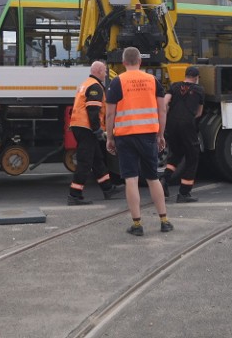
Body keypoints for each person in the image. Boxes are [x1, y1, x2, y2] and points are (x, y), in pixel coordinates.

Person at [105, 46, 172, 236]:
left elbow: (110, 114)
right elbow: (162, 111)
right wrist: (161, 135)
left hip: (125, 136)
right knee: (153, 178)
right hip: (149, 135)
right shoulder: (153, 81)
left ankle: (137, 225)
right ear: (140, 61)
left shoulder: (118, 82)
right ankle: (164, 220)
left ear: (124, 62)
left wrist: (109, 137)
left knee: (131, 179)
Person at [67, 60, 120, 205]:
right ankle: (74, 195)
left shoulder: (86, 83)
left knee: (97, 159)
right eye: (104, 71)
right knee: (85, 161)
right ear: (98, 71)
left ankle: (108, 188)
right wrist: (97, 129)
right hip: (87, 128)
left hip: (80, 126)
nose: (106, 74)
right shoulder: (95, 87)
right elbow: (93, 111)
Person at [161, 65, 205, 203]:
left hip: (172, 125)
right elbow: (199, 112)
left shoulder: (174, 86)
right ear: (197, 78)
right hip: (187, 125)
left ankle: (165, 179)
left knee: (177, 153)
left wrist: (168, 115)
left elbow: (164, 103)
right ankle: (184, 193)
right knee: (192, 156)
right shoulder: (199, 90)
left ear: (185, 75)